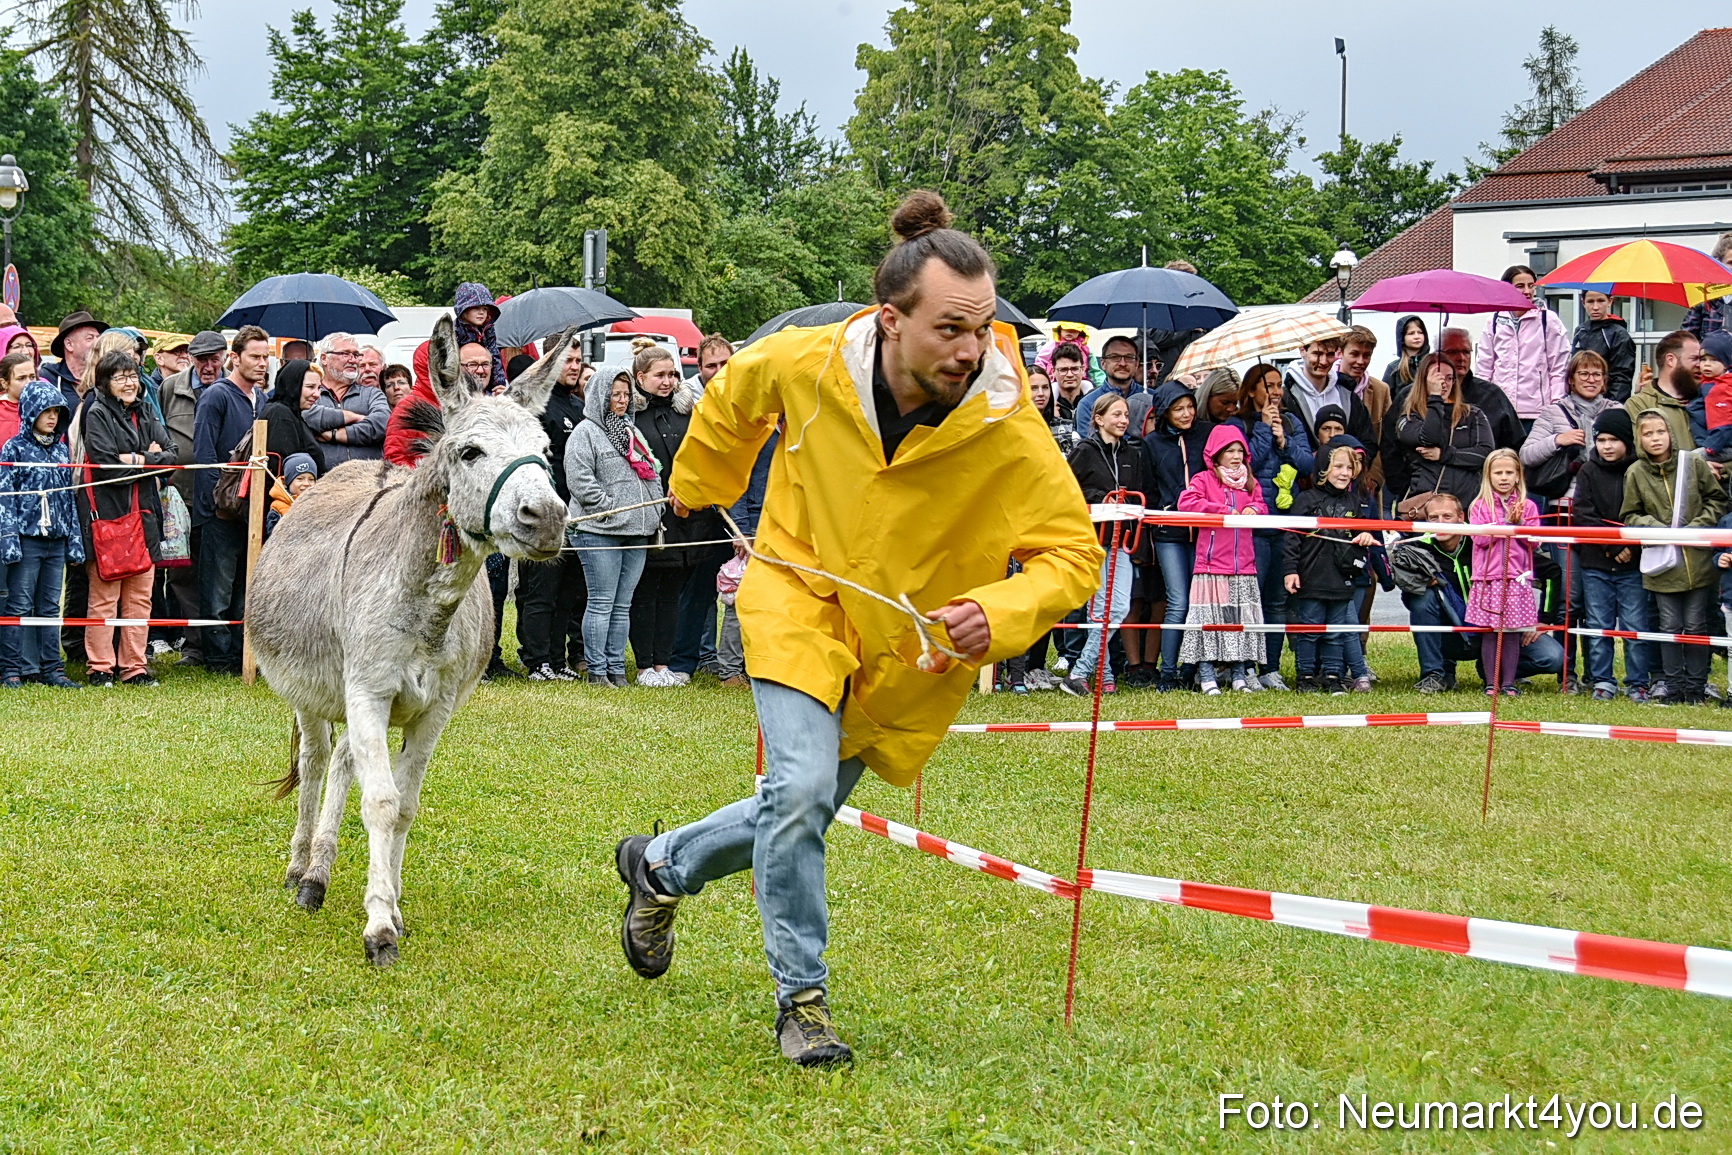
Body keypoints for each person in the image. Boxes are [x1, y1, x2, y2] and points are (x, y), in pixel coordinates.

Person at [613, 191, 1099, 1066]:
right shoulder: (807, 362)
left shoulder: (1009, 425)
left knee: (796, 808)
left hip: (901, 654)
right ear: (889, 318)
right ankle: (802, 1002)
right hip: (797, 599)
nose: (970, 348)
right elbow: (730, 397)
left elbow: (1072, 555)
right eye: (950, 328)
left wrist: (1000, 611)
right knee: (798, 795)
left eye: (982, 327)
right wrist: (703, 476)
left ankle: (661, 867)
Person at [1391, 492, 1564, 692]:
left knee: (1552, 657)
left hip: (1497, 628)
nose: (1440, 523)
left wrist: (1543, 619)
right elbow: (1410, 601)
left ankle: (1494, 670)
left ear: (1461, 517)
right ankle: (1435, 674)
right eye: (1433, 518)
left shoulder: (1484, 540)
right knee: (1422, 597)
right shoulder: (1419, 549)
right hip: (1452, 634)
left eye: (1447, 517)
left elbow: (1552, 572)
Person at [80, 350, 177, 688]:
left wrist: (137, 457)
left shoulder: (147, 410)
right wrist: (148, 458)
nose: (129, 382)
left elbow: (171, 459)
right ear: (105, 382)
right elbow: (108, 466)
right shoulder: (95, 413)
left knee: (140, 598)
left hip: (145, 516)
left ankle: (134, 666)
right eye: (120, 377)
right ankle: (100, 667)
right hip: (108, 516)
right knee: (104, 597)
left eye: (133, 375)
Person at [1622, 410, 1727, 704]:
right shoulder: (1635, 473)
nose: (1655, 439)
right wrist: (1657, 528)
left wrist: (1697, 527)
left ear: (1670, 432)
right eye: (1647, 434)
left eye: (1660, 432)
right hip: (1662, 563)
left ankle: (1695, 687)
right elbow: (1630, 515)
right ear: (1639, 439)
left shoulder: (1693, 463)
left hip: (1697, 560)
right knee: (1668, 625)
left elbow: (1717, 499)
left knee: (1696, 625)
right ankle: (1673, 686)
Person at [192, 326, 270, 676]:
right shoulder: (216, 396)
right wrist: (213, 506)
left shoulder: (263, 400)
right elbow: (204, 454)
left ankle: (243, 654)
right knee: (218, 588)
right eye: (255, 356)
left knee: (245, 586)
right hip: (221, 511)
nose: (262, 363)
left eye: (266, 357)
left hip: (251, 511)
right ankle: (218, 657)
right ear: (234, 358)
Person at [1060, 392, 1147, 697]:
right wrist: (1097, 501)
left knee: (1114, 609)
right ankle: (1096, 672)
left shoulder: (1131, 454)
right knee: (1103, 610)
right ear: (1098, 419)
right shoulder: (1084, 451)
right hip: (1091, 540)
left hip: (1120, 540)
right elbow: (1066, 491)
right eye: (1116, 415)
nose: (1123, 420)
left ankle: (1085, 671)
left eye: (1126, 415)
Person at [1231, 362, 1312, 689]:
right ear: (1252, 391)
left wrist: (1285, 441)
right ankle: (1247, 666)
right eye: (1269, 385)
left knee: (1277, 600)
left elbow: (1308, 464)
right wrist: (1264, 429)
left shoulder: (1291, 422)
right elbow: (1245, 465)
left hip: (1286, 522)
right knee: (1252, 599)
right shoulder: (1239, 424)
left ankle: (1271, 667)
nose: (1276, 391)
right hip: (1254, 523)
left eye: (1280, 385)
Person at [0, 380, 84, 688]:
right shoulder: (13, 449)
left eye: (56, 412)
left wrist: (74, 541)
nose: (51, 417)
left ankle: (53, 669)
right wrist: (9, 540)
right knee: (19, 606)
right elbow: (5, 497)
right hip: (26, 540)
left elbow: (70, 499)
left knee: (50, 607)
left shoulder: (62, 450)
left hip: (57, 541)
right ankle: (11, 669)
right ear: (30, 411)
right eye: (45, 411)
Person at [1174, 425, 1266, 694]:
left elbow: (1262, 505)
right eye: (1229, 451)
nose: (1236, 456)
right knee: (1208, 623)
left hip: (1244, 567)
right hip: (1211, 566)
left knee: (1239, 622)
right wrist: (1222, 511)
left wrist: (1253, 508)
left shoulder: (1251, 481)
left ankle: (1238, 675)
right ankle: (1206, 676)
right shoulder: (1203, 480)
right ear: (1215, 455)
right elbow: (1186, 503)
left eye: (1240, 451)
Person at [517, 345, 589, 682]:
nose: (573, 367)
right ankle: (537, 660)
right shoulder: (538, 408)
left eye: (577, 361)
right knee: (540, 591)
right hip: (544, 512)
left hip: (574, 513)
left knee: (567, 591)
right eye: (566, 361)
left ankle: (558, 660)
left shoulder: (578, 405)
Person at [1284, 437, 1377, 693]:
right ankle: (1305, 676)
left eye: (1348, 468)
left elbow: (1358, 538)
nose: (1344, 473)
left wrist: (1365, 539)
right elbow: (1292, 538)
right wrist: (1291, 570)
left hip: (1341, 579)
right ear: (1324, 468)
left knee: (1336, 631)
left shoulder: (1354, 503)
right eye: (1338, 467)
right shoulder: (1306, 500)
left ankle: (1333, 675)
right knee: (1310, 629)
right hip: (1312, 576)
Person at [155, 329, 226, 664]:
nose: (207, 366)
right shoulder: (171, 387)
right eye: (201, 359)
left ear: (225, 357)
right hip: (180, 496)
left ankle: (221, 645)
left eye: (214, 359)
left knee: (218, 571)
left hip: (221, 497)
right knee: (181, 572)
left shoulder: (233, 389)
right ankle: (195, 643)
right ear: (191, 359)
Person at [1572, 409, 1652, 702]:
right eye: (1601, 439)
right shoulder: (1587, 471)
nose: (1607, 446)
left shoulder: (1640, 470)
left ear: (1627, 441)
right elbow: (1583, 513)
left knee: (1635, 626)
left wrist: (1631, 545)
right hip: (1596, 563)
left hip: (1634, 564)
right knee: (1597, 625)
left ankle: (1638, 682)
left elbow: (1644, 510)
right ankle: (1602, 680)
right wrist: (1612, 545)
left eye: (1614, 439)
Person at [1141, 379, 1211, 690]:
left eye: (1189, 406)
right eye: (1178, 408)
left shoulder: (1206, 434)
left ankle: (1193, 668)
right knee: (1178, 601)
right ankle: (1168, 671)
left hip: (1205, 530)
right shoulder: (1152, 443)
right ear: (1165, 412)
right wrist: (1164, 509)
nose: (1186, 414)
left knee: (1201, 602)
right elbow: (1148, 487)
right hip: (1169, 531)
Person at [1467, 449, 1541, 697]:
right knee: (1491, 633)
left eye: (1510, 472)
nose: (1504, 477)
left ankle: (1509, 683)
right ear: (1488, 476)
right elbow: (1479, 538)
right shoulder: (1479, 505)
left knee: (1511, 633)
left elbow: (1534, 542)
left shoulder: (1528, 506)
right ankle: (1491, 683)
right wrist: (1506, 525)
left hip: (1516, 578)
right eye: (1498, 472)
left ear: (1519, 476)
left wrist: (1519, 525)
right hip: (1488, 579)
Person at [1390, 353, 1494, 513]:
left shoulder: (1473, 414)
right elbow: (1429, 438)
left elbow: (1486, 454)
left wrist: (1444, 455)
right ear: (1423, 380)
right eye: (1437, 378)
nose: (1443, 384)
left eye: (1449, 378)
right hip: (1425, 508)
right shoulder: (1409, 417)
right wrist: (1435, 398)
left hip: (1466, 506)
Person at [1476, 265, 1569, 433]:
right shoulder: (1495, 320)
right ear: (1506, 288)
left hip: (1537, 411)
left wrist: (1556, 405)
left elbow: (1559, 367)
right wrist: (1483, 402)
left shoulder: (1548, 319)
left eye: (1531, 285)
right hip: (1501, 409)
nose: (1527, 291)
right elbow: (1484, 367)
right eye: (1520, 286)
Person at [1520, 350, 1613, 501]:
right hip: (1564, 502)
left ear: (1604, 380)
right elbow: (1526, 455)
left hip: (1607, 498)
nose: (1591, 379)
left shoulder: (1615, 411)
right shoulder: (1553, 413)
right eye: (1584, 374)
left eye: (1597, 374)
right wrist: (1557, 440)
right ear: (1571, 379)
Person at [1282, 336, 1377, 460]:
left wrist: (1352, 462)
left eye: (1330, 354)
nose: (1324, 361)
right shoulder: (1286, 396)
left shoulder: (1347, 395)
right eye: (1317, 353)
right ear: (1302, 351)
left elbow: (1368, 442)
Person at [303, 331, 389, 466]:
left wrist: (335, 435)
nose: (353, 360)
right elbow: (306, 417)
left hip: (370, 481)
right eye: (345, 354)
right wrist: (351, 417)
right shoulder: (311, 393)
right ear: (324, 358)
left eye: (356, 355)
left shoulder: (372, 394)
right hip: (322, 482)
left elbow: (381, 424)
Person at [1435, 327, 1524, 451]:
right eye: (1453, 352)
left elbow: (1515, 443)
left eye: (1466, 352)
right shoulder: (1415, 394)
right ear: (1436, 355)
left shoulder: (1491, 395)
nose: (1461, 358)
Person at [1627, 330, 1702, 453]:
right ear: (1670, 360)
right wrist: (1700, 465)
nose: (1701, 364)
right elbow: (1650, 456)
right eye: (1694, 358)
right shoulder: (1640, 405)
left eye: (1702, 359)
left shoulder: (1708, 399)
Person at [1074, 335, 1151, 439]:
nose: (1122, 363)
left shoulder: (1152, 398)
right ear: (1103, 363)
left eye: (1129, 358)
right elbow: (1089, 447)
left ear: (1137, 363)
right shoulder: (1088, 404)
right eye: (1115, 357)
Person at [261, 360, 329, 476]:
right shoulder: (280, 414)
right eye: (310, 387)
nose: (317, 394)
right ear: (293, 385)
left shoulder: (292, 414)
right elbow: (284, 470)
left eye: (319, 388)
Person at [1572, 290, 1637, 401]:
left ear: (1610, 301)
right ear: (1583, 303)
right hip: (1579, 401)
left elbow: (1622, 377)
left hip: (1605, 402)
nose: (1595, 307)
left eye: (1601, 301)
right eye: (1590, 301)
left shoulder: (1619, 334)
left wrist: (1612, 407)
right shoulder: (1580, 331)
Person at [40, 310, 106, 415]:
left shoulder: (104, 378)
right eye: (90, 338)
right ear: (69, 344)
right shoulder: (47, 379)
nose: (98, 343)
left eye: (98, 338)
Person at [453, 282, 507, 393]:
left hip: (484, 380)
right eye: (476, 308)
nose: (481, 312)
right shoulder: (455, 330)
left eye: (485, 309)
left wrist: (499, 383)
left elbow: (495, 356)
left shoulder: (488, 329)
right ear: (463, 310)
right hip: (459, 384)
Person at [1681, 232, 1732, 340]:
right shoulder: (1704, 298)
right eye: (1731, 263)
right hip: (1709, 356)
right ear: (1719, 263)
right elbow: (1687, 338)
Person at [1027, 365, 1079, 458]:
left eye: (1045, 387)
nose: (1041, 394)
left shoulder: (1067, 428)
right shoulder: (1014, 429)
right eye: (1033, 388)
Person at [265, 452, 318, 539]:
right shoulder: (277, 508)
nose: (306, 483)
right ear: (287, 482)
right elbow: (274, 539)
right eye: (300, 479)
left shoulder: (319, 504)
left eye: (311, 479)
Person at [1382, 315, 1429, 391]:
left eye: (1420, 332)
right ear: (1402, 338)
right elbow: (1386, 397)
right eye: (1411, 333)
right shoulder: (1394, 368)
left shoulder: (1432, 364)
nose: (1417, 336)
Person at [1049, 343, 1089, 426]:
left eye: (1075, 369)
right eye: (1063, 370)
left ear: (1083, 370)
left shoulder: (1096, 403)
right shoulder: (1046, 406)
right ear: (1053, 372)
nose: (1070, 374)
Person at [0, 349, 32, 445]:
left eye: (32, 377)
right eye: (21, 378)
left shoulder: (48, 410)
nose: (29, 383)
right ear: (4, 383)